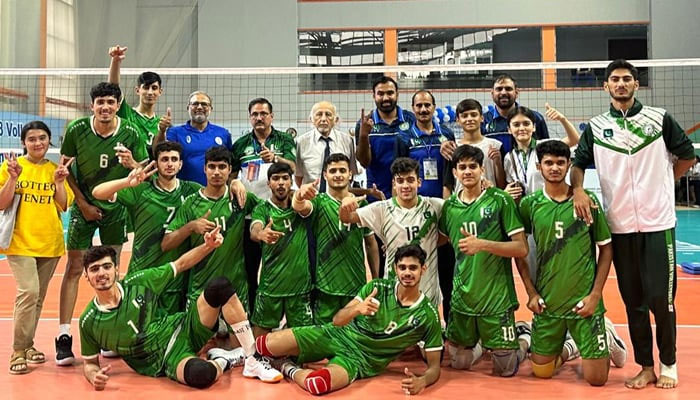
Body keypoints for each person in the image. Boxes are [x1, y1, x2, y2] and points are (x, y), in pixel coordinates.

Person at [571, 59, 696, 390]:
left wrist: (666, 182)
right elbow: (578, 164)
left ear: (636, 84)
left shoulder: (660, 118)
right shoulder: (596, 127)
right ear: (606, 86)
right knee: (634, 301)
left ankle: (668, 363)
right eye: (615, 79)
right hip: (620, 225)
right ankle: (645, 366)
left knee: (662, 300)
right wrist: (579, 189)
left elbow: (687, 155)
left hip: (658, 223)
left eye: (627, 79)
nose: (621, 84)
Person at [79, 234, 282, 390]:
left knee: (220, 286)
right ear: (86, 276)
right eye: (95, 269)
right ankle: (224, 359)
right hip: (167, 358)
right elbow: (90, 363)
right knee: (202, 375)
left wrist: (208, 246)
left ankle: (252, 358)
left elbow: (180, 264)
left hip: (184, 326)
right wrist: (93, 376)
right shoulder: (89, 321)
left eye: (106, 267)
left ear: (116, 269)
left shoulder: (139, 282)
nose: (102, 274)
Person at [254, 244, 442, 396]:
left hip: (361, 360)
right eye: (402, 267)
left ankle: (286, 366)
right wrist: (357, 309)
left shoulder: (427, 315)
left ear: (423, 269)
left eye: (413, 268)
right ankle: (254, 358)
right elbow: (337, 320)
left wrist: (422, 381)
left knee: (316, 384)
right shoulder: (377, 287)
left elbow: (435, 367)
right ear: (395, 269)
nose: (407, 273)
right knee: (264, 344)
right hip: (337, 334)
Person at [57, 82, 149, 365]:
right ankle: (63, 336)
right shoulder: (77, 130)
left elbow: (142, 172)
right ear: (92, 106)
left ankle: (113, 331)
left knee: (113, 269)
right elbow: (65, 168)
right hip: (83, 206)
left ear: (118, 104)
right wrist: (82, 204)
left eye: (111, 102)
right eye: (100, 103)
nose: (105, 107)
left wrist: (132, 161)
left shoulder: (131, 132)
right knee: (74, 267)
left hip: (116, 208)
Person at [518, 140, 615, 386]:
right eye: (548, 163)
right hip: (548, 303)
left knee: (597, 380)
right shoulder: (530, 205)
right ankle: (571, 346)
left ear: (568, 165)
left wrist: (595, 295)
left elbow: (606, 249)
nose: (554, 168)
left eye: (560, 163)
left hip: (584, 303)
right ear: (539, 167)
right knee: (541, 372)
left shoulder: (586, 200)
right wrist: (531, 293)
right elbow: (520, 251)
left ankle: (607, 333)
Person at [438, 144, 530, 376]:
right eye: (462, 167)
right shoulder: (449, 208)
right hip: (463, 297)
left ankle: (525, 337)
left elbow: (521, 248)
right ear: (456, 173)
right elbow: (439, 240)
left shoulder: (500, 200)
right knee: (458, 362)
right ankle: (481, 343)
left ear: (482, 170)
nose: (467, 171)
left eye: (473, 166)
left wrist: (483, 244)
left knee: (505, 370)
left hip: (496, 298)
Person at [92, 141, 202, 313]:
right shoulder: (141, 190)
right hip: (142, 272)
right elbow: (98, 192)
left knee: (170, 331)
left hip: (175, 276)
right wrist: (126, 182)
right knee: (137, 330)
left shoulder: (192, 191)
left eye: (174, 159)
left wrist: (235, 184)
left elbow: (217, 194)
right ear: (156, 163)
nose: (170, 164)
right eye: (164, 159)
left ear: (180, 164)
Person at [0, 122, 74, 374]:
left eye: (42, 138)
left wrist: (60, 183)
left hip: (50, 244)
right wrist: (12, 178)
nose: (37, 142)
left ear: (49, 140)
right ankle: (18, 350)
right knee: (28, 292)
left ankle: (29, 345)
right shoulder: (11, 168)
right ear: (24, 143)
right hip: (20, 242)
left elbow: (63, 205)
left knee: (38, 298)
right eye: (31, 139)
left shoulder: (55, 170)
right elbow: (2, 203)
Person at [162, 146, 259, 311]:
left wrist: (237, 182)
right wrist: (191, 226)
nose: (216, 172)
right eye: (212, 167)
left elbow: (268, 209)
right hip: (200, 286)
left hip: (235, 287)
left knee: (238, 337)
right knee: (200, 337)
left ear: (229, 170)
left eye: (222, 167)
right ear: (204, 169)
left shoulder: (241, 198)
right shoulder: (191, 203)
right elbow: (166, 244)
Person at [340, 157, 443, 309]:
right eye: (400, 181)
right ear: (394, 184)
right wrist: (345, 205)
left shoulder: (435, 206)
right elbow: (347, 218)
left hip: (428, 293)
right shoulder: (382, 209)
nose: (405, 185)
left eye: (410, 180)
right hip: (395, 292)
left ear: (419, 182)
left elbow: (458, 213)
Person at [292, 153, 380, 323]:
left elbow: (371, 244)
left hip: (356, 284)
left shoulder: (361, 204)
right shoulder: (319, 202)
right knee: (325, 337)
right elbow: (300, 208)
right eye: (333, 171)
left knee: (354, 337)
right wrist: (299, 195)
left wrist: (375, 279)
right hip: (325, 286)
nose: (338, 174)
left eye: (342, 170)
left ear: (350, 174)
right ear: (325, 175)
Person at [231, 97, 296, 310]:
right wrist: (234, 183)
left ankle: (281, 308)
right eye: (254, 114)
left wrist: (275, 159)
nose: (259, 118)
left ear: (271, 116)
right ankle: (251, 311)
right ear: (250, 118)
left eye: (263, 114)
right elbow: (230, 175)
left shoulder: (284, 139)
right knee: (249, 268)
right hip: (249, 216)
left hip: (280, 215)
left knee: (281, 266)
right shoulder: (240, 144)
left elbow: (293, 167)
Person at [249, 162, 313, 335]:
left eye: (285, 178)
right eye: (275, 179)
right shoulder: (263, 208)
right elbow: (255, 228)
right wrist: (260, 234)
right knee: (260, 341)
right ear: (269, 183)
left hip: (300, 287)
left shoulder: (300, 207)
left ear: (291, 182)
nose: (281, 183)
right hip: (271, 286)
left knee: (301, 345)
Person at [503, 105, 580, 203]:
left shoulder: (547, 146)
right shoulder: (509, 158)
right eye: (516, 125)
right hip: (524, 209)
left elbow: (574, 139)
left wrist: (562, 119)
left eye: (526, 124)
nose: (522, 128)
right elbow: (510, 185)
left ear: (534, 127)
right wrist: (507, 192)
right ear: (509, 129)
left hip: (547, 205)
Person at [153, 91, 232, 186]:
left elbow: (231, 165)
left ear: (210, 109)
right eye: (195, 104)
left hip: (215, 192)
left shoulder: (223, 133)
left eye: (204, 104)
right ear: (188, 108)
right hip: (184, 192)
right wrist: (162, 131)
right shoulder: (175, 132)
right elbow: (158, 153)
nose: (199, 107)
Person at [356, 76, 415, 201]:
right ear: (374, 96)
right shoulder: (365, 124)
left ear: (397, 94)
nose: (386, 98)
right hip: (377, 194)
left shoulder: (411, 120)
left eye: (390, 93)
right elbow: (364, 162)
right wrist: (363, 135)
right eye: (380, 94)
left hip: (407, 192)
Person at [396, 90, 454, 198]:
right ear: (413, 108)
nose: (423, 109)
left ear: (434, 107)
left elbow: (451, 171)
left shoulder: (447, 134)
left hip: (442, 198)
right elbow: (398, 173)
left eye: (427, 105)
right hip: (414, 200)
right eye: (419, 106)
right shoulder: (403, 137)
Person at [107, 45, 163, 155]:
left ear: (160, 92)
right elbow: (113, 88)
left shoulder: (162, 123)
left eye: (154, 88)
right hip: (127, 170)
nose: (150, 92)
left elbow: (160, 154)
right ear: (137, 90)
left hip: (150, 171)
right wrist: (115, 61)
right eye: (146, 87)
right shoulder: (126, 113)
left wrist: (163, 130)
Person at [442, 98, 506, 193]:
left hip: (490, 201)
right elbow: (447, 184)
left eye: (474, 115)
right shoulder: (453, 148)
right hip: (463, 204)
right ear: (458, 120)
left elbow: (502, 185)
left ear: (482, 118)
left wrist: (497, 163)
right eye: (464, 116)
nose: (469, 119)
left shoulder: (495, 145)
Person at [295, 101, 358, 190]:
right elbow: (298, 176)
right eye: (319, 114)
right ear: (311, 119)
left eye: (328, 114)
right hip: (312, 198)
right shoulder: (301, 142)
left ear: (336, 120)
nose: (323, 119)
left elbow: (350, 173)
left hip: (339, 199)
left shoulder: (347, 141)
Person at [482, 74, 549, 151]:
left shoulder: (535, 117)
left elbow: (546, 148)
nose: (503, 92)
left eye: (508, 89)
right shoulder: (484, 119)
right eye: (499, 89)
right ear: (492, 93)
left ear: (516, 93)